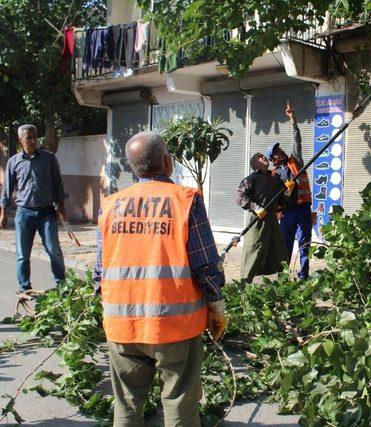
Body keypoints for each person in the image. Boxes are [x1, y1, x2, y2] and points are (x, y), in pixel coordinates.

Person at [92, 131, 226, 427]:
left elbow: (99, 272)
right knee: (179, 401)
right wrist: (216, 306)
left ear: (133, 167)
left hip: (122, 326)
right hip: (174, 326)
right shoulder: (185, 200)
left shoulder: (111, 204)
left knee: (126, 405)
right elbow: (205, 266)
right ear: (167, 162)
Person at [0, 124, 66, 296]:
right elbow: (7, 189)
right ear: (20, 140)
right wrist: (3, 212)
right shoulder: (14, 162)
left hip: (47, 213)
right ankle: (24, 287)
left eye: (35, 137)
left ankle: (61, 286)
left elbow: (58, 184)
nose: (33, 140)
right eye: (28, 138)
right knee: (23, 254)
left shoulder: (49, 158)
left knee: (54, 250)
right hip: (24, 213)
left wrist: (62, 207)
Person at [267, 101, 313, 279]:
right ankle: (284, 277)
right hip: (286, 214)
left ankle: (303, 276)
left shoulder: (296, 162)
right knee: (285, 246)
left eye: (279, 149)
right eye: (276, 152)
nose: (280, 152)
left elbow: (297, 140)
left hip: (302, 210)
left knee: (304, 244)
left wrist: (293, 120)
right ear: (273, 159)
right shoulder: (273, 175)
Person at [236, 152, 289, 283]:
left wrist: (288, 191)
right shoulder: (251, 179)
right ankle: (244, 286)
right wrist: (256, 207)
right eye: (260, 157)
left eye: (264, 156)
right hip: (257, 221)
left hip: (272, 221)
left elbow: (283, 202)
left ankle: (285, 287)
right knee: (253, 251)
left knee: (280, 253)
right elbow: (240, 196)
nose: (264, 157)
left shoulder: (275, 180)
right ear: (254, 164)